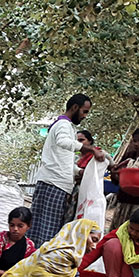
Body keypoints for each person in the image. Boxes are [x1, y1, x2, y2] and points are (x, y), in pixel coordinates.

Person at [28, 94, 106, 246]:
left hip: (51, 182)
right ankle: (41, 263)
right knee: (49, 230)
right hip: (54, 184)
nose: (84, 116)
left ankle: (32, 261)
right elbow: (63, 142)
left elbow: (62, 161)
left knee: (39, 227)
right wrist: (90, 149)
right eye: (84, 111)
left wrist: (79, 172)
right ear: (75, 107)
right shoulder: (63, 125)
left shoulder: (64, 125)